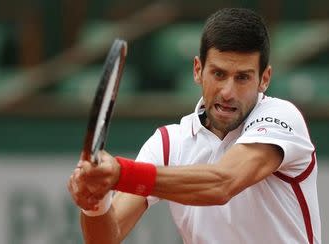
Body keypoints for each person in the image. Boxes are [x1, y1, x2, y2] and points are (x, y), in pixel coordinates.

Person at [67, 8, 321, 244]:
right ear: (198, 70)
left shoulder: (282, 117)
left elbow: (223, 183)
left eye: (242, 77)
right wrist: (95, 202)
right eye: (218, 74)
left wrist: (120, 174)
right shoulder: (168, 144)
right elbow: (106, 238)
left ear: (264, 79)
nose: (228, 92)